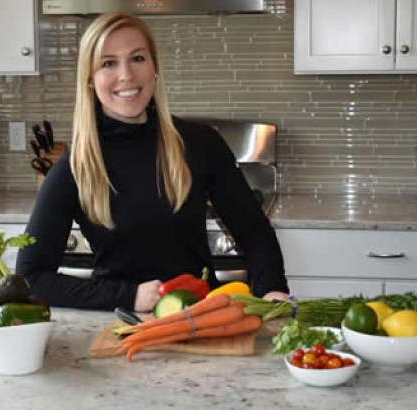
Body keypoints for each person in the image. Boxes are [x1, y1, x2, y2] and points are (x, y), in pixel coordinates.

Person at [15, 12, 289, 312]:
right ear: (90, 79)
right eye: (108, 63)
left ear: (155, 67)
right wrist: (128, 296)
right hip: (120, 323)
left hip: (202, 317)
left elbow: (254, 231)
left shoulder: (200, 144)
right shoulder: (75, 167)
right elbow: (31, 277)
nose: (126, 75)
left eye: (137, 58)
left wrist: (272, 290)